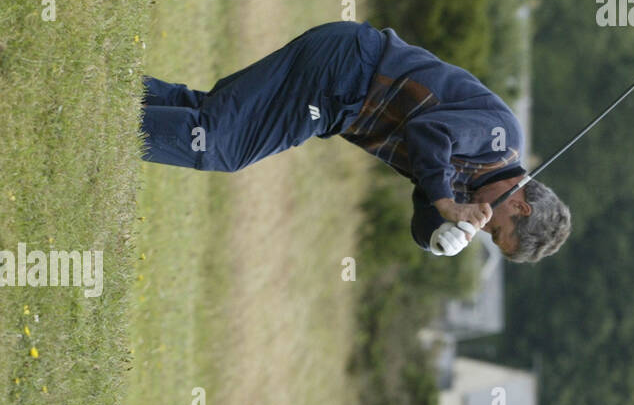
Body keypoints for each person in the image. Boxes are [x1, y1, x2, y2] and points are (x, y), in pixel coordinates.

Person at [139, 20, 570, 262]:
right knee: (222, 146)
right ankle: (124, 130)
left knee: (213, 112)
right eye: (495, 229)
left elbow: (425, 205)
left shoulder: (469, 193)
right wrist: (445, 204)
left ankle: (109, 92)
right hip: (345, 75)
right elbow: (428, 133)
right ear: (519, 205)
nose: (483, 226)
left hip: (342, 71)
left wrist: (439, 236)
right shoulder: (502, 140)